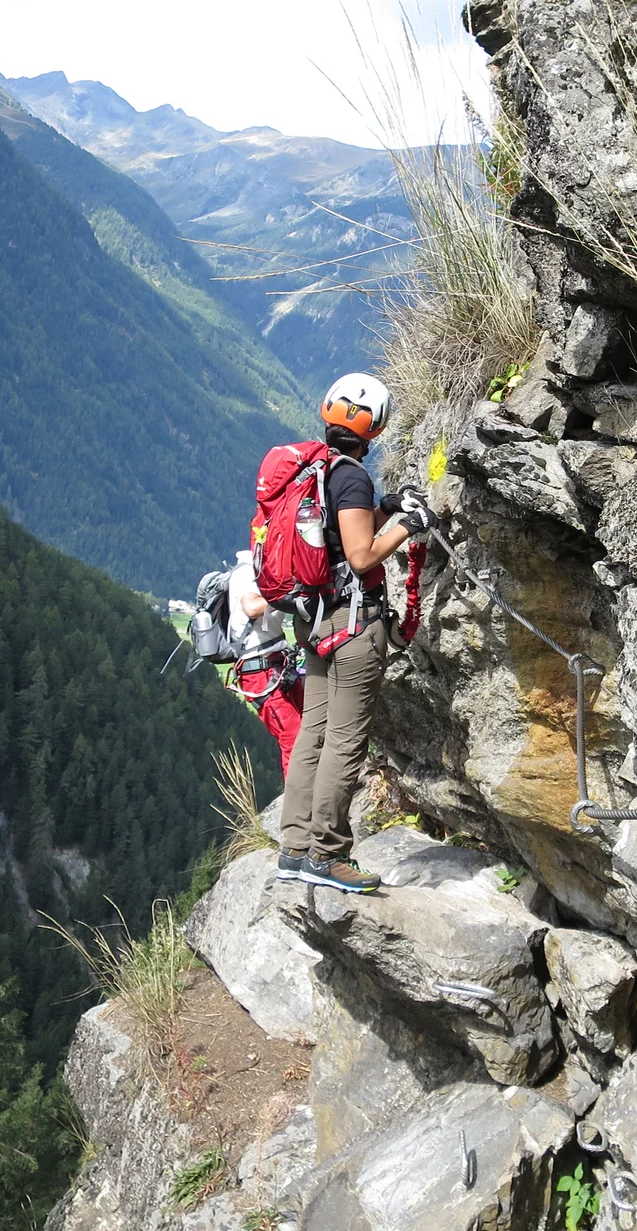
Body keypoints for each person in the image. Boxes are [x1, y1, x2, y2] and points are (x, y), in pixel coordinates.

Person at [276, 372, 434, 894]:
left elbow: (338, 535)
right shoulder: (352, 478)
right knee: (345, 741)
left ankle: (295, 848)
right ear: (377, 427)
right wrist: (406, 526)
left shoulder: (314, 469)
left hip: (313, 618)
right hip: (352, 623)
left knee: (313, 733)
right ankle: (329, 855)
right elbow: (362, 553)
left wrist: (384, 509)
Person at [226, 548, 303, 776]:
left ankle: (311, 791)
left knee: (308, 726)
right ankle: (299, 802)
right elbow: (251, 607)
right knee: (293, 734)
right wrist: (293, 593)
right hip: (259, 670)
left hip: (273, 665)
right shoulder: (249, 570)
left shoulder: (265, 568)